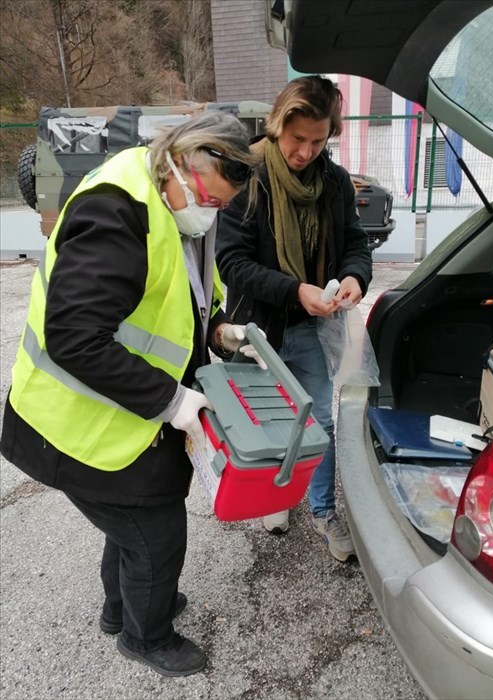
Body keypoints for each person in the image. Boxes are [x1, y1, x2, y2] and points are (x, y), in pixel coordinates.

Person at [0, 111, 264, 677]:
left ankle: (121, 609)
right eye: (207, 197)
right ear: (177, 161)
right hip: (71, 421)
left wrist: (218, 329)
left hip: (120, 411)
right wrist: (172, 401)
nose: (211, 210)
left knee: (134, 518)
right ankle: (147, 636)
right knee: (154, 532)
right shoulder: (115, 210)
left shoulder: (182, 210)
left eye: (222, 204)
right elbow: (73, 337)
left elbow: (183, 294)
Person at [216, 75, 373, 562]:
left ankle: (323, 510)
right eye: (296, 138)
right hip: (255, 331)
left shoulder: (335, 181)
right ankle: (275, 498)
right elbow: (232, 263)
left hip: (311, 328)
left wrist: (353, 277)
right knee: (266, 420)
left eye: (317, 140)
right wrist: (293, 291)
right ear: (277, 124)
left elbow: (355, 243)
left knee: (316, 422)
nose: (304, 151)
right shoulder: (248, 175)